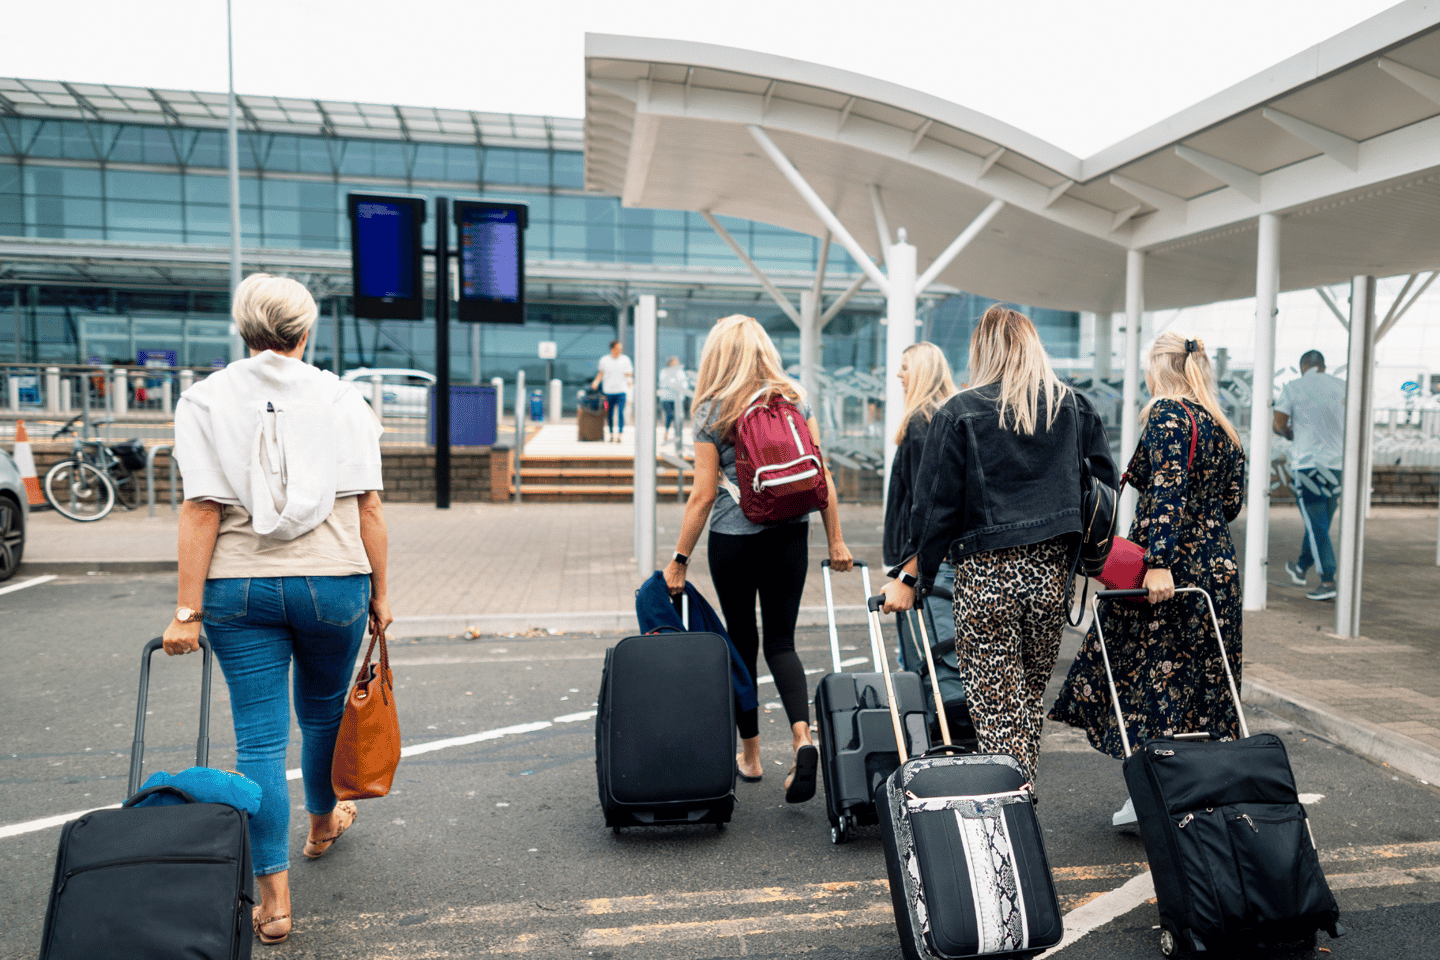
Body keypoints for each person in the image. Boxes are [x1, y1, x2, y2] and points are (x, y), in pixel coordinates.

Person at [164, 273, 391, 946]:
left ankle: (274, 899)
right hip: (334, 580)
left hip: (239, 584)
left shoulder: (203, 399)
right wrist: (381, 594)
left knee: (258, 741)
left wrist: (186, 610)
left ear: (242, 328)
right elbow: (369, 507)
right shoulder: (343, 398)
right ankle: (322, 823)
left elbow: (200, 508)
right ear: (306, 330)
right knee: (322, 713)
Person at [880, 306, 1115, 787]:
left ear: (982, 350)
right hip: (1051, 578)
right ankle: (1020, 805)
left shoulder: (961, 412)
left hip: (988, 579)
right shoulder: (1074, 406)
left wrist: (913, 576)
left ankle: (1012, 817)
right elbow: (1105, 486)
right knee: (1025, 704)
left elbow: (934, 509)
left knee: (997, 713)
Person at [1049, 332, 1246, 829]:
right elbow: (1230, 503)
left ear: (1158, 368)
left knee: (1151, 674)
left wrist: (1157, 559)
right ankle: (1199, 792)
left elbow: (1166, 490)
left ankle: (1153, 796)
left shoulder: (1167, 415)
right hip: (1216, 566)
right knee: (1204, 680)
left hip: (1169, 570)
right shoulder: (1220, 424)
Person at [663, 314, 854, 804]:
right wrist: (836, 542)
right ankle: (802, 739)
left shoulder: (712, 409)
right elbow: (821, 476)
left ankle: (750, 755)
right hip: (791, 535)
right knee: (783, 644)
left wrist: (679, 560)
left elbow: (702, 495)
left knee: (741, 645)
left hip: (735, 538)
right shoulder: (794, 397)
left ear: (718, 354)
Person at [882, 343, 966, 724]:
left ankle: (928, 732)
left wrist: (907, 568)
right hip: (949, 557)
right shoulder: (950, 416)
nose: (899, 374)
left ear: (922, 372)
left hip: (922, 560)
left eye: (905, 368)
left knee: (920, 649)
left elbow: (924, 502)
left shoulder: (920, 423)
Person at [1274, 349, 1345, 601]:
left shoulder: (1293, 387)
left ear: (1303, 366)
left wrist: (1289, 434)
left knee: (1317, 526)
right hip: (1337, 467)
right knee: (1320, 524)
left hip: (1307, 467)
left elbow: (1278, 423)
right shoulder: (1343, 386)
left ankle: (1328, 579)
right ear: (1323, 366)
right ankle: (1301, 567)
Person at [591, 339, 633, 442]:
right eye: (618, 348)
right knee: (608, 413)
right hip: (608, 392)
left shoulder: (625, 360)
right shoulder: (604, 360)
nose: (620, 350)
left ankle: (620, 433)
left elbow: (630, 373)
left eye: (621, 349)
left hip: (621, 391)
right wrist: (596, 382)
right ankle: (610, 433)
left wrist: (628, 378)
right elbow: (600, 373)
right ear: (612, 349)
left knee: (620, 412)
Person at [658, 356, 688, 441]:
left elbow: (684, 385)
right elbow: (664, 384)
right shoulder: (664, 372)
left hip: (678, 399)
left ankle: (677, 435)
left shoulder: (681, 372)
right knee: (669, 415)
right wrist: (675, 385)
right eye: (673, 363)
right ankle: (667, 431)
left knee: (677, 417)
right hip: (666, 398)